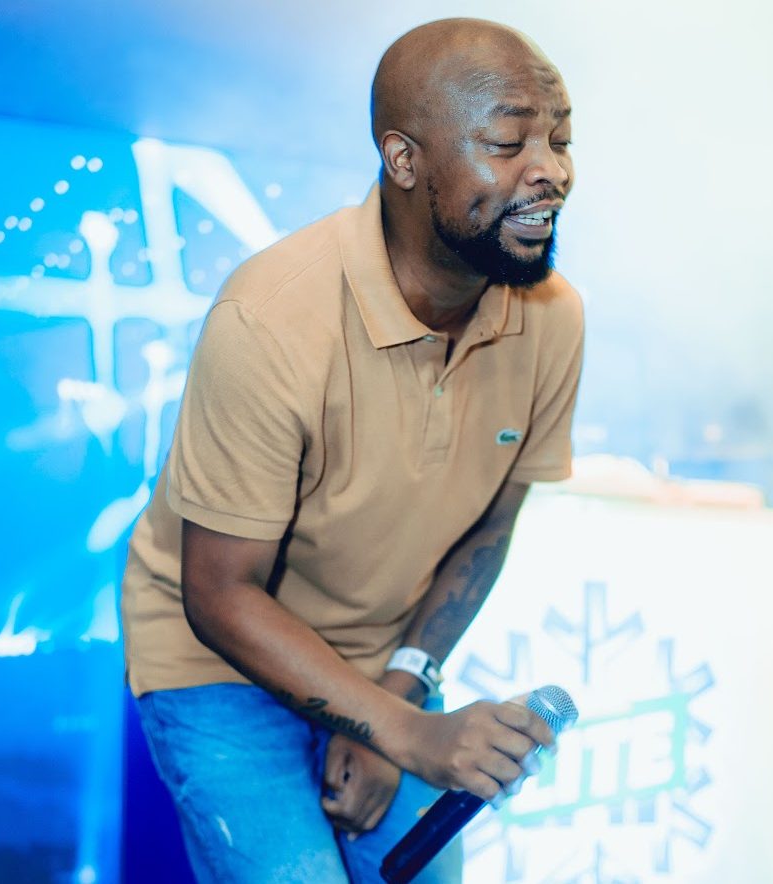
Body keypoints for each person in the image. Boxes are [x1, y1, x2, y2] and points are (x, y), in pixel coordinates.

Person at [120, 17, 583, 883]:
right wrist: (408, 734)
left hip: (383, 657)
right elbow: (217, 595)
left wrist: (396, 702)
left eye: (559, 140)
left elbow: (489, 529)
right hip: (215, 662)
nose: (550, 170)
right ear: (403, 159)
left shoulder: (553, 316)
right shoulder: (270, 319)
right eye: (507, 142)